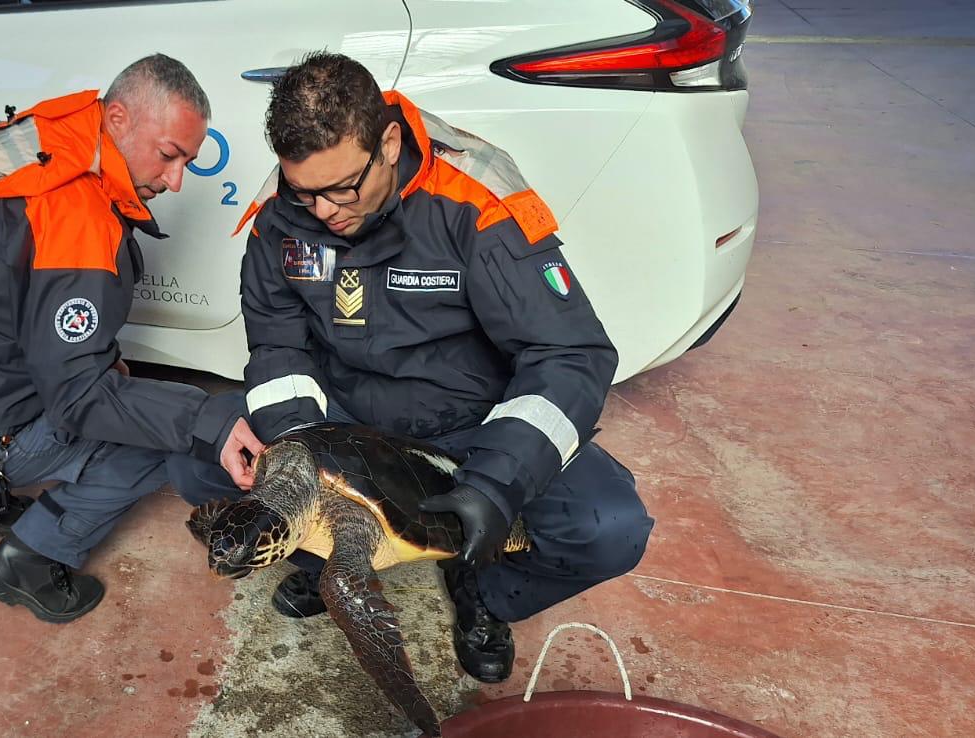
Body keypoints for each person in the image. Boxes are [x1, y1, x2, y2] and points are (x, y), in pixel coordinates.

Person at [179, 51, 654, 683]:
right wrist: (298, 454)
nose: (324, 211)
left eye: (345, 187)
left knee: (608, 528)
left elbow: (568, 353)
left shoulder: (474, 202)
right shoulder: (280, 217)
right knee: (199, 460)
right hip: (343, 420)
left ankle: (485, 589)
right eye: (305, 191)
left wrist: (497, 482)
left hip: (470, 423)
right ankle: (332, 558)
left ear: (390, 142)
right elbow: (277, 348)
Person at [0, 54, 263, 625]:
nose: (176, 180)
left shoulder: (33, 146)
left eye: (187, 161)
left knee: (103, 384)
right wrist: (204, 420)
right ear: (116, 119)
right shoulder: (76, 217)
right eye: (168, 155)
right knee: (157, 441)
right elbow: (79, 399)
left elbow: (14, 312)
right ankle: (31, 559)